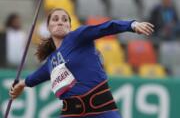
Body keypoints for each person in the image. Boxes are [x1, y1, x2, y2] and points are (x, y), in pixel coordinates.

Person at [9, 8, 154, 118]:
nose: (60, 21)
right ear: (48, 27)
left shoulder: (78, 36)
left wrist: (132, 25)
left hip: (101, 109)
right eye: (55, 19)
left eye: (65, 19)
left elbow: (106, 27)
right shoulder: (51, 60)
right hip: (71, 113)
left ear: (69, 26)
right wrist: (22, 84)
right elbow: (38, 75)